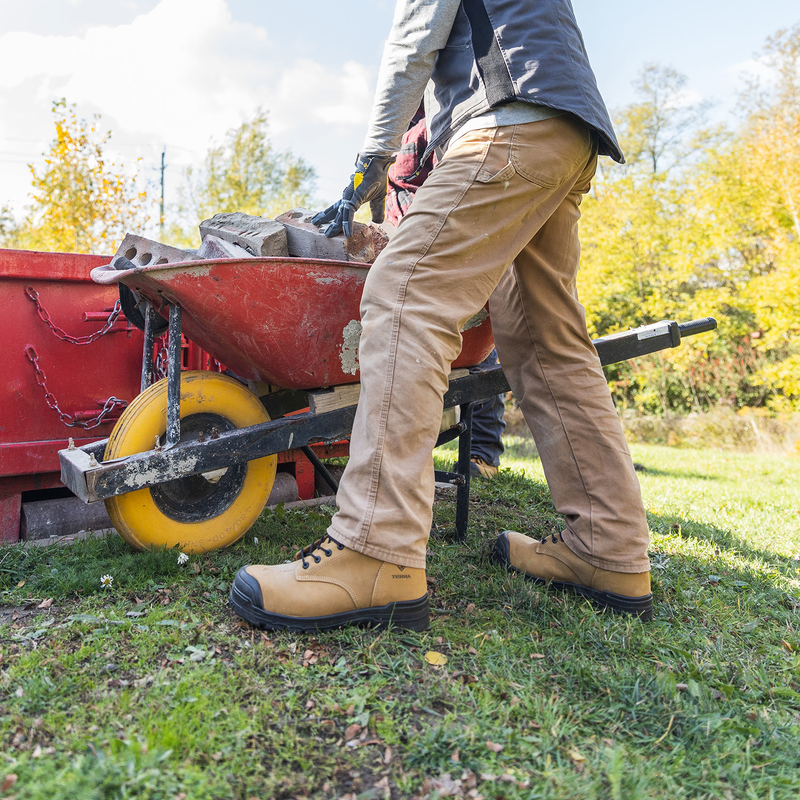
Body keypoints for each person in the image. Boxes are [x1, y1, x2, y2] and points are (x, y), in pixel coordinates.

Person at [229, 0, 653, 632]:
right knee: (544, 339)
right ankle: (611, 547)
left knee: (403, 291)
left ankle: (376, 550)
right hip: (564, 129)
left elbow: (413, 38)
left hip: (509, 121)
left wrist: (369, 165)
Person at [386, 108, 506, 480]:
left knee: (478, 352)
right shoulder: (397, 129)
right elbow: (383, 185)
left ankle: (482, 453)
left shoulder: (446, 116)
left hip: (450, 247)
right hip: (398, 247)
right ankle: (401, 450)